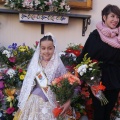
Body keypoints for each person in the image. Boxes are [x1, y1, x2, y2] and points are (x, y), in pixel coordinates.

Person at [76, 4, 120, 120]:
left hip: (114, 82)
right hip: (98, 83)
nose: (115, 20)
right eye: (112, 16)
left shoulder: (119, 37)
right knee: (99, 113)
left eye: (118, 17)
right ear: (104, 17)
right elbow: (84, 60)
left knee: (108, 113)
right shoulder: (95, 36)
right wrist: (92, 82)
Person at [13, 32, 68, 120]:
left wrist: (67, 101)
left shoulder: (58, 65)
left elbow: (67, 85)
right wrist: (22, 105)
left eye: (50, 48)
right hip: (34, 101)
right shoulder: (36, 65)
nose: (46, 51)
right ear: (40, 49)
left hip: (53, 101)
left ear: (54, 48)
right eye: (43, 48)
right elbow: (27, 86)